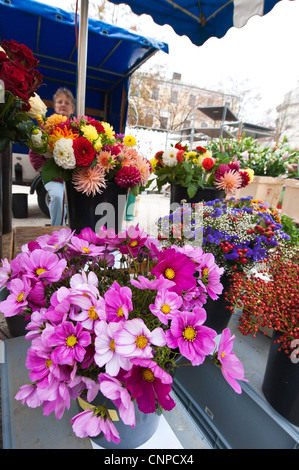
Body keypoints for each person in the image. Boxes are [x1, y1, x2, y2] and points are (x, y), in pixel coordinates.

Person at [29, 87, 76, 226]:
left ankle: (77, 229)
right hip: (54, 178)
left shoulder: (78, 129)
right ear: (55, 106)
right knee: (57, 196)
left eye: (67, 103)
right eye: (60, 102)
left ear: (72, 109)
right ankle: (57, 230)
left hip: (73, 178)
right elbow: (34, 155)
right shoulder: (45, 128)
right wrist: (46, 171)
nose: (63, 105)